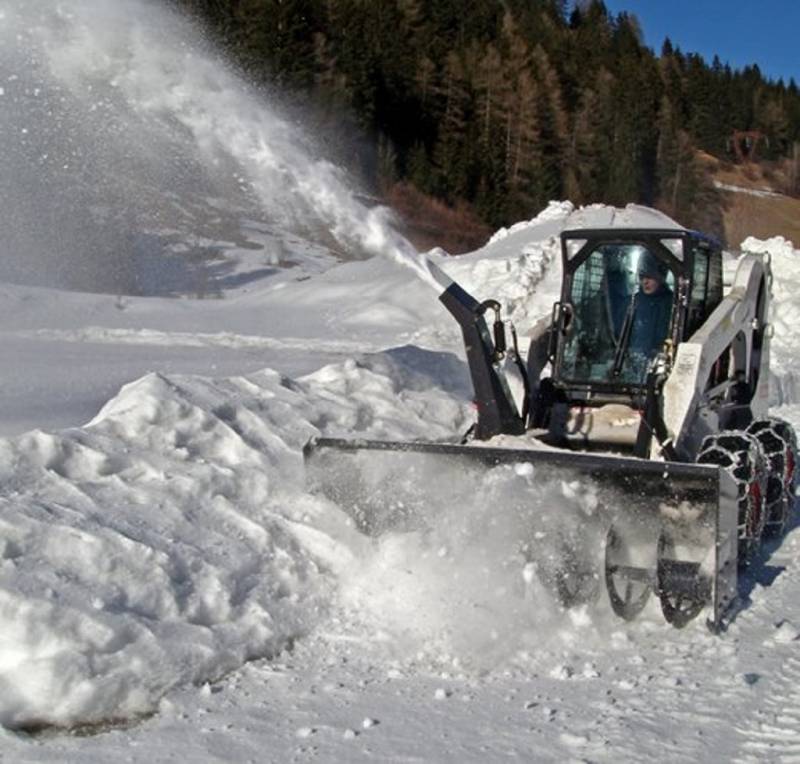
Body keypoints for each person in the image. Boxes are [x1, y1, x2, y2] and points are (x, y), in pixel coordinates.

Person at [628, 252, 673, 358]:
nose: (645, 281)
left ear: (661, 277)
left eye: (650, 276)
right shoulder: (634, 301)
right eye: (642, 277)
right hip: (631, 361)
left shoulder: (671, 303)